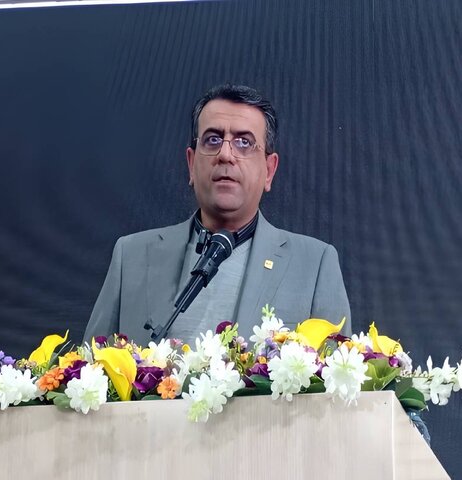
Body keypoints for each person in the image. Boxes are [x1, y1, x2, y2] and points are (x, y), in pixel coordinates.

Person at [84, 84, 350, 345]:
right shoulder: (131, 256)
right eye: (212, 139)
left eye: (244, 142)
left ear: (269, 170)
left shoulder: (314, 265)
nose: (225, 154)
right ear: (191, 163)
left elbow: (340, 372)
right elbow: (90, 367)